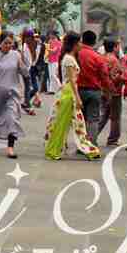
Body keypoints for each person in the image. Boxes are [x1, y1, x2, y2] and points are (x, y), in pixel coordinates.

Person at [44, 32, 101, 160]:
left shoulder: (69, 58)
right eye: (79, 42)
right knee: (67, 123)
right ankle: (86, 150)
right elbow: (71, 81)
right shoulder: (69, 59)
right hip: (68, 93)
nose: (81, 45)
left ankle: (87, 149)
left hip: (67, 93)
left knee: (74, 123)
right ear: (74, 44)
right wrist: (78, 98)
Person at [0, 32, 29, 158]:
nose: (8, 45)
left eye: (11, 43)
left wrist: (23, 61)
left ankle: (10, 147)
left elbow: (24, 71)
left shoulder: (16, 55)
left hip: (13, 93)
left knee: (12, 118)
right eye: (6, 43)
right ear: (0, 42)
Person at [76, 30, 107, 142]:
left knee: (81, 119)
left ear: (82, 40)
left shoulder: (75, 54)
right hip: (94, 91)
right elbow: (104, 75)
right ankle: (92, 144)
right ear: (94, 42)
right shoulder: (97, 57)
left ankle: (81, 145)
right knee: (93, 119)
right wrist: (108, 90)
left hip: (78, 91)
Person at [95, 38, 125, 146]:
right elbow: (115, 77)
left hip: (102, 90)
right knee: (115, 116)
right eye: (118, 47)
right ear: (115, 47)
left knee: (103, 115)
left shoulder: (101, 58)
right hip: (114, 91)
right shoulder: (114, 60)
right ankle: (113, 138)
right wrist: (122, 77)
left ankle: (92, 135)